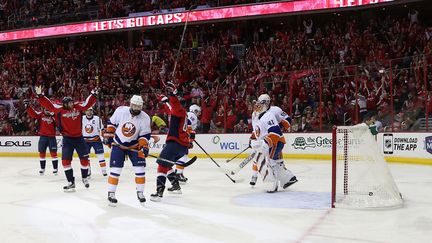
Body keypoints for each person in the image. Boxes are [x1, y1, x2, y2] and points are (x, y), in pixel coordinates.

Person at [34, 86, 97, 192]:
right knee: (65, 162)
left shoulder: (78, 107)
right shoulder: (59, 109)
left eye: (72, 102)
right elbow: (48, 104)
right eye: (69, 103)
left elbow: (87, 104)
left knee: (85, 161)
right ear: (64, 104)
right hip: (67, 139)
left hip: (79, 138)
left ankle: (85, 178)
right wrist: (40, 96)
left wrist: (93, 95)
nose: (72, 104)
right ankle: (71, 182)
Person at [103, 95, 151, 206]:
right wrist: (109, 137)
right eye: (135, 105)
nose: (136, 108)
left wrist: (144, 147)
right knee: (116, 170)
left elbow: (144, 135)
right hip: (118, 144)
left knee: (140, 169)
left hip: (134, 146)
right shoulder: (120, 111)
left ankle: (140, 192)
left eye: (139, 106)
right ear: (130, 104)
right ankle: (111, 193)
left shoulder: (145, 117)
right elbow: (111, 125)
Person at [150, 83, 191, 202]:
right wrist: (162, 99)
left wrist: (173, 95)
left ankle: (159, 193)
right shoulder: (179, 114)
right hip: (181, 146)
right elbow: (169, 108)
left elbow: (174, 105)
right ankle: (176, 186)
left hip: (175, 144)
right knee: (166, 164)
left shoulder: (179, 111)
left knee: (161, 166)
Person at [249, 94, 297, 193]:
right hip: (269, 141)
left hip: (275, 141)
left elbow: (282, 125)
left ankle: (273, 183)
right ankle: (288, 179)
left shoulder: (272, 112)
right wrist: (253, 139)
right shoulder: (255, 115)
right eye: (258, 103)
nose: (258, 106)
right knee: (275, 161)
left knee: (271, 162)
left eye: (262, 103)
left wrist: (280, 126)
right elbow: (257, 131)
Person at [24, 99, 59, 176]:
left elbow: (59, 124)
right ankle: (42, 169)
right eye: (46, 109)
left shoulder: (54, 116)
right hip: (43, 137)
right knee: (42, 153)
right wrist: (28, 107)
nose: (47, 111)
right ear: (43, 109)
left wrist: (53, 116)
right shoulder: (41, 114)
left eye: (48, 109)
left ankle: (55, 169)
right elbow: (33, 114)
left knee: (54, 154)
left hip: (52, 137)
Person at [174, 104, 201, 184]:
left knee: (184, 154)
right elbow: (187, 123)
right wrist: (191, 136)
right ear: (195, 110)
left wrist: (190, 138)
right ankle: (178, 173)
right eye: (198, 111)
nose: (199, 113)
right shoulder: (192, 115)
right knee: (183, 154)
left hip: (182, 136)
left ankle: (179, 172)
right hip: (182, 137)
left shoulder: (189, 114)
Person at [82, 107, 107, 177]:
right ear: (85, 111)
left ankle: (104, 170)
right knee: (85, 157)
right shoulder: (82, 119)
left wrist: (103, 138)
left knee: (101, 155)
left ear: (92, 111)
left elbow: (101, 129)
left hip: (96, 140)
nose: (88, 112)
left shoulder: (97, 119)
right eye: (87, 110)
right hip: (85, 140)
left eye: (90, 110)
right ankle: (88, 170)